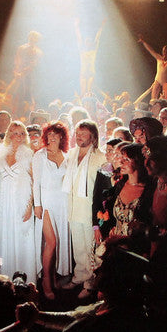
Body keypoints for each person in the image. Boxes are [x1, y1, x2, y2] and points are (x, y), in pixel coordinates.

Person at [62, 120, 106, 299]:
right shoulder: (71, 153)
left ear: (93, 136)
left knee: (90, 247)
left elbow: (103, 188)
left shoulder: (100, 157)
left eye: (83, 134)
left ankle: (90, 284)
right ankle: (79, 277)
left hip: (89, 208)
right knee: (78, 247)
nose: (79, 136)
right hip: (72, 206)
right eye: (77, 133)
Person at [32, 121, 71, 300]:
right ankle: (46, 281)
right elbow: (36, 182)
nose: (52, 137)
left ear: (62, 137)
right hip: (46, 202)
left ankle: (54, 276)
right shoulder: (40, 155)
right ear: (46, 136)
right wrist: (37, 204)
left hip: (62, 203)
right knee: (51, 242)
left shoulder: (66, 156)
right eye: (50, 134)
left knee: (58, 243)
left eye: (56, 134)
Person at [0, 121, 37, 283]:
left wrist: (29, 206)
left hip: (22, 203)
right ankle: (6, 278)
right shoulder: (0, 154)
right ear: (9, 135)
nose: (19, 137)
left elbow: (34, 182)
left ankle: (26, 279)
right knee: (5, 237)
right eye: (15, 133)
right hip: (4, 203)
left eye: (22, 133)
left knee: (23, 239)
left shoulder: (29, 155)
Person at [13, 31, 43, 114]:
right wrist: (16, 72)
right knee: (17, 94)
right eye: (32, 37)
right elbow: (17, 61)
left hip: (31, 77)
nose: (33, 39)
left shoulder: (38, 52)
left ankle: (30, 112)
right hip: (20, 75)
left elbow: (34, 64)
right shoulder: (22, 48)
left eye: (35, 38)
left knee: (30, 95)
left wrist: (23, 72)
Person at [75, 18, 104, 95]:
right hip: (83, 72)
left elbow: (97, 38)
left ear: (91, 43)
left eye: (89, 41)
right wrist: (76, 27)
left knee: (89, 91)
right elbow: (79, 38)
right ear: (85, 43)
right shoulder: (82, 51)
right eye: (86, 41)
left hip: (91, 72)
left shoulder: (93, 51)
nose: (88, 43)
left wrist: (101, 27)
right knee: (83, 92)